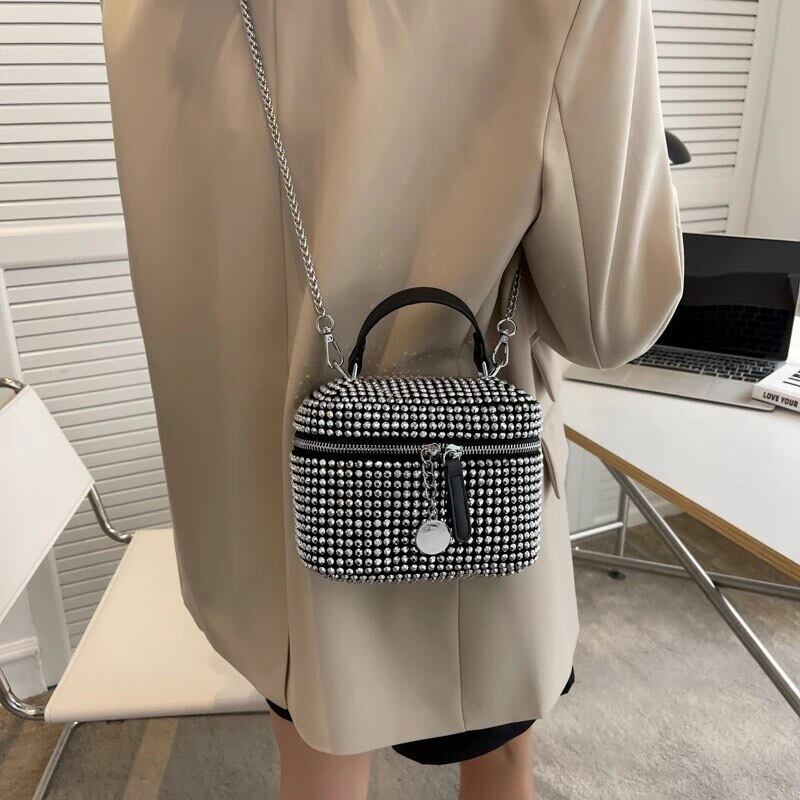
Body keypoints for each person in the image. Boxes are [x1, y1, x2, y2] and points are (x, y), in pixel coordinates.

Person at [102, 0, 682, 797]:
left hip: (262, 524)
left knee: (316, 759)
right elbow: (612, 320)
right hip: (471, 484)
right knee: (498, 755)